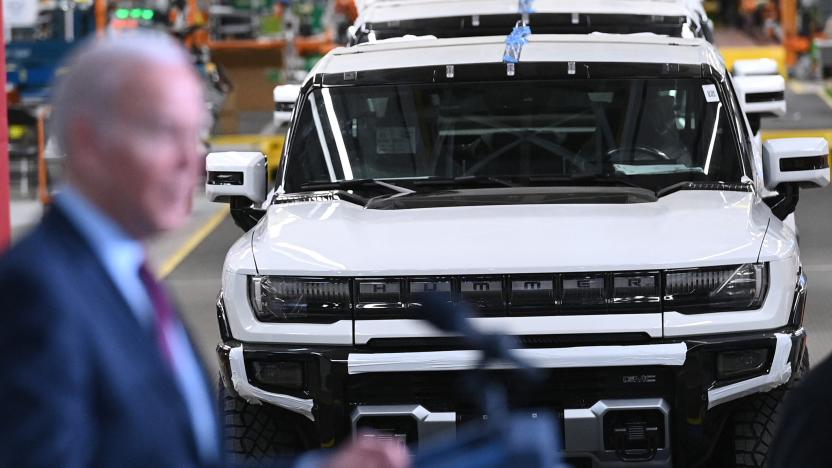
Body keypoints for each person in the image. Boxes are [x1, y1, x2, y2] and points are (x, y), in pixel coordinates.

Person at [0, 32, 409, 468]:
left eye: (196, 135)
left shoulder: (128, 276)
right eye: (165, 132)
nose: (191, 161)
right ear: (87, 142)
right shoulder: (36, 294)